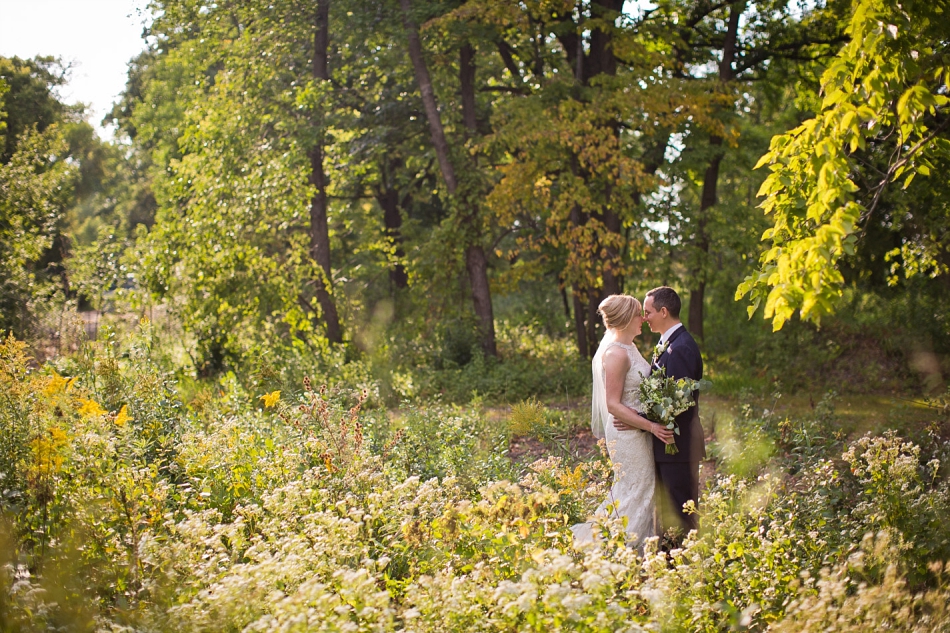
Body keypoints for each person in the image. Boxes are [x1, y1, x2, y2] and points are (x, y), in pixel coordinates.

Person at [572, 294, 674, 547]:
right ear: (627, 318)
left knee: (641, 489)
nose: (643, 318)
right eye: (639, 313)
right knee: (637, 488)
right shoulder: (616, 354)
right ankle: (614, 547)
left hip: (637, 428)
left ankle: (633, 547)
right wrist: (651, 425)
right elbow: (613, 404)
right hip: (627, 433)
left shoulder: (630, 347)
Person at [640, 286, 705, 539]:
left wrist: (643, 421)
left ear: (664, 311)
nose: (645, 318)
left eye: (648, 312)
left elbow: (679, 402)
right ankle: (670, 563)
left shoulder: (681, 348)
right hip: (668, 444)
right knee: (669, 511)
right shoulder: (669, 343)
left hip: (677, 445)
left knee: (681, 512)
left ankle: (682, 567)